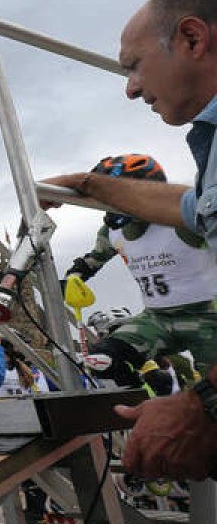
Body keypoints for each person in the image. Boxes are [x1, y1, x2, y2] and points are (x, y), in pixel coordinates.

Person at [37, 0, 217, 481]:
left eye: (135, 66)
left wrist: (201, 405)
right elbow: (189, 206)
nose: (132, 87)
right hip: (159, 319)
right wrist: (87, 185)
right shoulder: (210, 148)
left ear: (192, 39)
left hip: (205, 322)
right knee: (109, 355)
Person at [59, 154, 217, 388]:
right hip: (157, 317)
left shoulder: (181, 217)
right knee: (102, 359)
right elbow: (92, 260)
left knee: (210, 390)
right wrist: (71, 279)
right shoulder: (111, 232)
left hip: (208, 316)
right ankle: (146, 392)